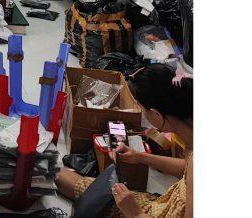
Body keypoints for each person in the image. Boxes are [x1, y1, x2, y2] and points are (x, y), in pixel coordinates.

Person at [55, 63, 193, 218]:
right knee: (69, 181)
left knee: (72, 185)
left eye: (142, 110)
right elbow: (186, 168)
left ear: (156, 114)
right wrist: (140, 157)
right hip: (165, 205)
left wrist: (135, 213)